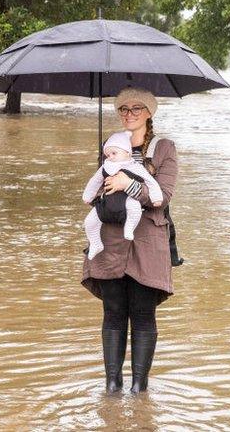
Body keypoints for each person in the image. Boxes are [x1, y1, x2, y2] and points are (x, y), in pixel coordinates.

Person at [81, 86, 178, 395]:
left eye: (137, 109)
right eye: (123, 109)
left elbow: (163, 196)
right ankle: (111, 388)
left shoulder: (164, 148)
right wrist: (105, 181)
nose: (129, 114)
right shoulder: (109, 145)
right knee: (112, 311)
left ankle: (139, 389)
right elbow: (97, 190)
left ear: (149, 113)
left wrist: (128, 183)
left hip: (148, 241)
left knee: (142, 313)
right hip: (109, 240)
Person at [82, 130, 164, 259]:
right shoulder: (105, 166)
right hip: (107, 202)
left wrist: (156, 197)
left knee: (134, 208)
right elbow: (94, 181)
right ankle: (95, 243)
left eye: (114, 153)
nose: (111, 157)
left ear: (127, 153)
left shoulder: (135, 166)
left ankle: (129, 228)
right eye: (108, 154)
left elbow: (151, 181)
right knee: (89, 222)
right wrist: (88, 196)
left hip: (127, 199)